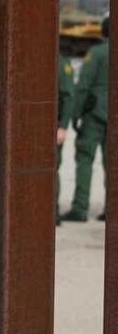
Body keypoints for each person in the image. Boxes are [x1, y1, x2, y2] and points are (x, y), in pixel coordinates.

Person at [63, 16, 109, 223]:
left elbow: (84, 85)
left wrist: (75, 113)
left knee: (85, 159)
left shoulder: (97, 53)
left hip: (95, 113)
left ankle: (80, 207)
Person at [56, 54, 76, 225]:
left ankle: (52, 213)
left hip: (53, 127)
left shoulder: (61, 63)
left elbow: (69, 96)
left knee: (50, 168)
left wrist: (62, 126)